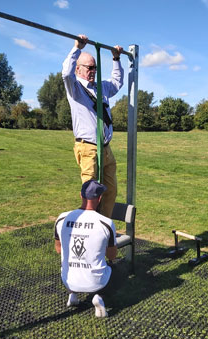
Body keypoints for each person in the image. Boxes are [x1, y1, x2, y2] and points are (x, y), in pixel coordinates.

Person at [62, 34, 124, 218]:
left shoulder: (101, 88)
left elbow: (117, 83)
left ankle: (103, 227)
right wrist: (77, 48)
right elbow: (66, 73)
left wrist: (116, 59)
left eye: (95, 68)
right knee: (90, 194)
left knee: (110, 190)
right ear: (79, 69)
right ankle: (87, 229)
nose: (93, 71)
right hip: (88, 147)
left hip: (105, 148)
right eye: (89, 68)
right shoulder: (75, 88)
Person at [54, 180, 117, 318]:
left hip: (68, 280)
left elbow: (58, 249)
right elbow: (112, 255)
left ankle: (72, 294)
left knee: (66, 262)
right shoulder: (106, 223)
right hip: (97, 282)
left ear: (80, 195)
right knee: (114, 267)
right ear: (99, 199)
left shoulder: (62, 218)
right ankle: (99, 297)